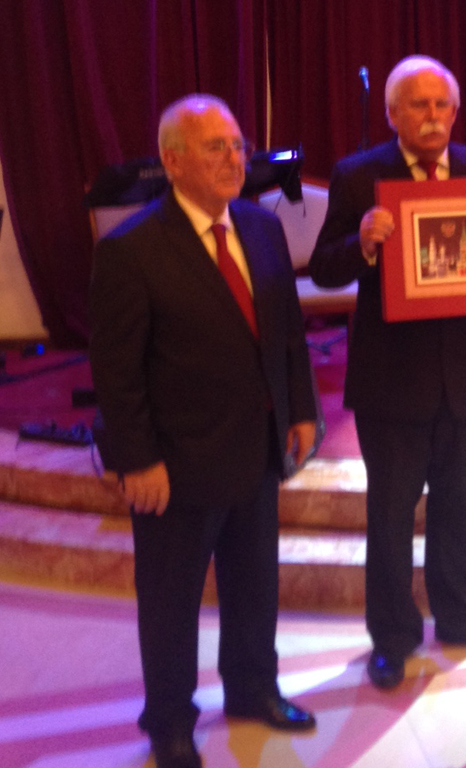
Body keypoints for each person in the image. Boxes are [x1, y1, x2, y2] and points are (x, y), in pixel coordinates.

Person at [89, 95, 319, 768]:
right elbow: (117, 372)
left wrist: (300, 409)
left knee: (255, 584)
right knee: (170, 603)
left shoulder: (261, 226)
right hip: (176, 462)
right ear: (172, 161)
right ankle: (168, 722)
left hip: (257, 446)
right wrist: (136, 459)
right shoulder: (131, 249)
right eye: (215, 146)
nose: (234, 158)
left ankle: (253, 689)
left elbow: (287, 332)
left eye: (238, 145)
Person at [309, 55, 466, 690]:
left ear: (454, 112)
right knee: (389, 516)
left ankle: (462, 619)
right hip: (392, 380)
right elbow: (324, 268)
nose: (432, 115)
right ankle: (392, 637)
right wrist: (360, 241)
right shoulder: (359, 176)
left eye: (441, 104)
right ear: (392, 113)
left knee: (458, 507)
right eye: (418, 104)